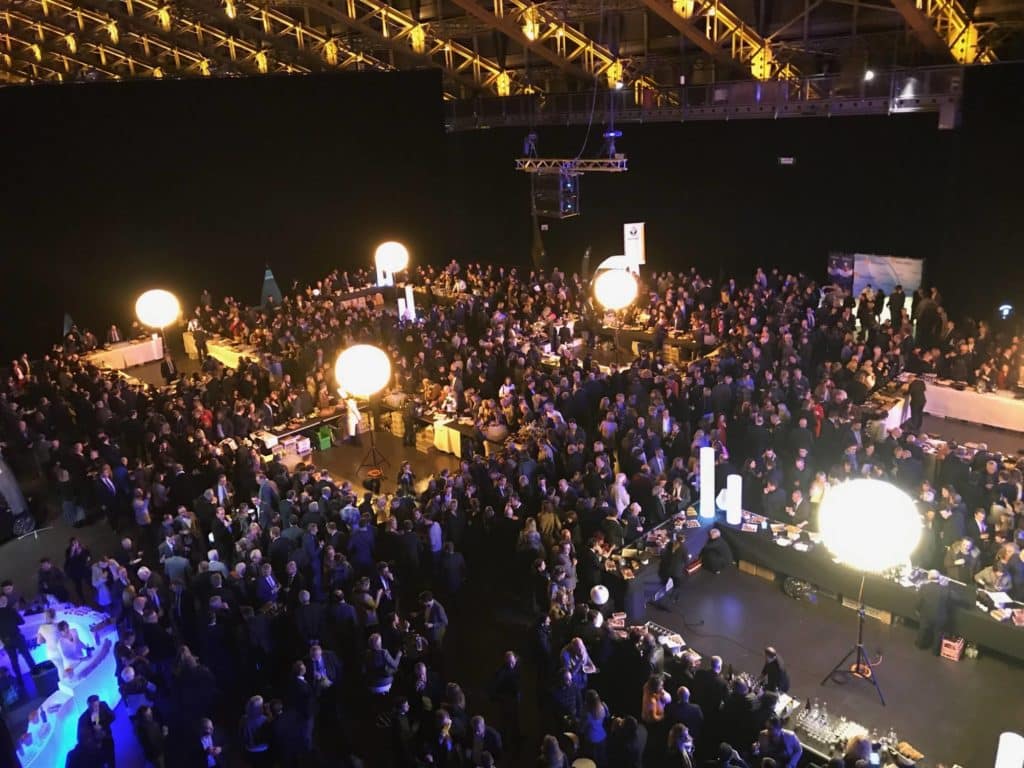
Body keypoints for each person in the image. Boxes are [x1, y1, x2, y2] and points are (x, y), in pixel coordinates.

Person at [0, 595, 35, 684]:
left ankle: (20, 681)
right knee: (27, 656)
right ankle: (37, 673)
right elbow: (22, 622)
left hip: (6, 640)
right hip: (16, 636)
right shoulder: (11, 610)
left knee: (14, 661)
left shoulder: (11, 610)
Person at [77, 695, 116, 768]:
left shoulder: (103, 705)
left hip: (107, 739)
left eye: (96, 706)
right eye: (92, 707)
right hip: (95, 747)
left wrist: (103, 727)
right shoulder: (83, 719)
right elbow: (80, 738)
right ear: (88, 706)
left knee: (111, 760)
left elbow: (112, 716)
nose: (95, 709)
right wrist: (95, 737)